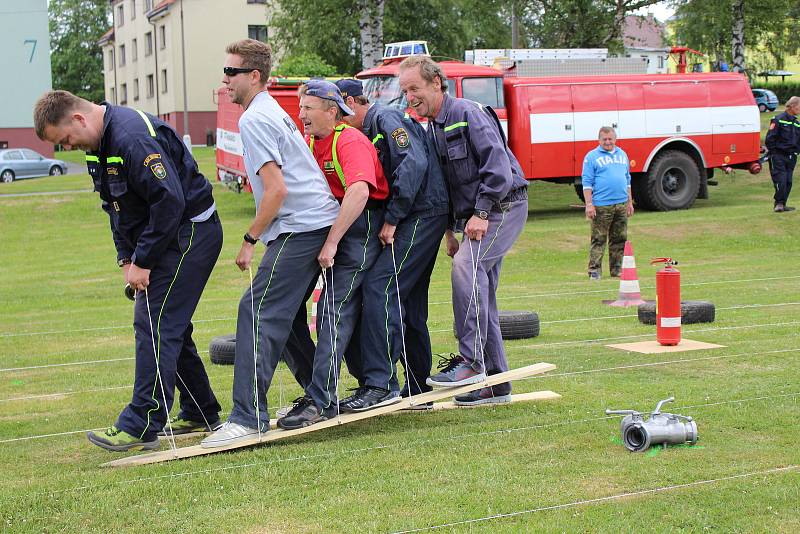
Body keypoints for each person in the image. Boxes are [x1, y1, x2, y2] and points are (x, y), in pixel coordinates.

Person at [33, 90, 223, 451]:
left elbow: (170, 201)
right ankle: (201, 410)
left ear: (78, 119)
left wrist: (145, 260)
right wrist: (127, 259)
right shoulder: (98, 145)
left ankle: (142, 421)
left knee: (153, 320)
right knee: (169, 323)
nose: (69, 147)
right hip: (164, 234)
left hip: (192, 229)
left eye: (67, 139)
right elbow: (114, 205)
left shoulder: (132, 137)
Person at [201, 40, 340, 447]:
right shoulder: (267, 112)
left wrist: (249, 239)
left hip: (301, 227)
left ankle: (247, 417)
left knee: (256, 310)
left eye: (232, 72)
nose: (225, 80)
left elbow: (276, 190)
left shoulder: (254, 120)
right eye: (225, 72)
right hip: (308, 225)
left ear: (254, 76)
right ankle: (321, 397)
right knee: (290, 318)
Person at [398, 56, 528, 406]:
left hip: (504, 206)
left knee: (466, 269)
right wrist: (451, 233)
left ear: (436, 83)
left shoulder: (468, 113)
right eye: (405, 91)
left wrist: (482, 213)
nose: (410, 97)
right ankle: (496, 385)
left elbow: (498, 169)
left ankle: (471, 362)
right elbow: (451, 186)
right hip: (476, 216)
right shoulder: (434, 127)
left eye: (415, 88)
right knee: (481, 293)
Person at [276, 80, 393, 429]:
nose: (301, 115)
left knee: (332, 308)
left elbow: (358, 193)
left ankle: (320, 400)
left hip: (358, 228)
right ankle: (318, 389)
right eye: (300, 108)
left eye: (308, 108)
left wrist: (331, 242)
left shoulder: (350, 140)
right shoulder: (311, 142)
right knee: (285, 309)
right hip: (327, 226)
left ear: (332, 110)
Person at [332, 78, 449, 409]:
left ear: (351, 103)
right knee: (407, 304)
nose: (339, 122)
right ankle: (417, 389)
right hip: (417, 213)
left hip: (421, 214)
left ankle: (380, 384)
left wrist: (393, 218)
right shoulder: (366, 129)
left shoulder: (385, 119)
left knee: (380, 287)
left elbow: (413, 164)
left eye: (339, 113)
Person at [582, 126, 634, 280]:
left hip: (621, 204)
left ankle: (617, 270)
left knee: (619, 239)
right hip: (602, 205)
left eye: (610, 139)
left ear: (615, 139)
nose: (608, 142)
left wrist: (629, 202)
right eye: (604, 139)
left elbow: (627, 180)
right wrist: (589, 204)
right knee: (598, 239)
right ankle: (595, 271)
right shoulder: (591, 157)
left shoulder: (622, 155)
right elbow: (587, 182)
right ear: (599, 140)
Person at [765, 96, 800, 212]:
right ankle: (779, 203)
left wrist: (797, 152)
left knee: (788, 181)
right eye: (799, 107)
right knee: (781, 180)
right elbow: (770, 139)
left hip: (791, 157)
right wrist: (774, 153)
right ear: (793, 106)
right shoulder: (778, 119)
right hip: (778, 156)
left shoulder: (796, 123)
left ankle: (783, 204)